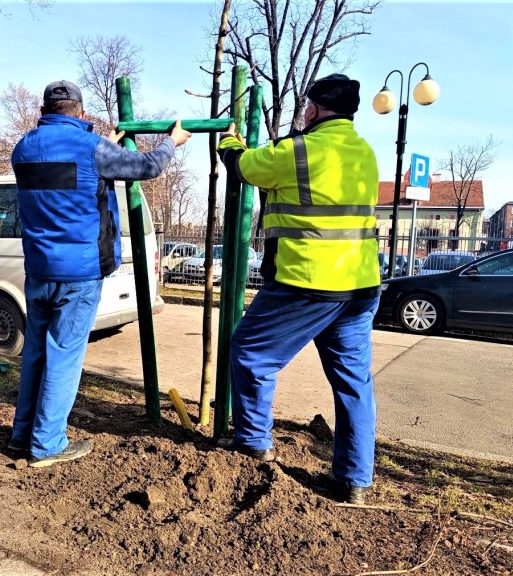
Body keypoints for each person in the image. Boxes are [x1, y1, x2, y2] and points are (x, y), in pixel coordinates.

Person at [216, 73, 380, 505]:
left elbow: (244, 166)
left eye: (307, 106)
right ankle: (355, 481)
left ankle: (252, 443)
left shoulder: (297, 150)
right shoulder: (364, 152)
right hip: (361, 285)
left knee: (250, 352)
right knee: (353, 383)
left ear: (316, 109)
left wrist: (229, 142)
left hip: (309, 281)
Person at [9, 80, 191, 468]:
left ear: (46, 109)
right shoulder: (92, 149)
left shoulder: (22, 148)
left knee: (36, 355)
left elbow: (68, 175)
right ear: (81, 111)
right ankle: (47, 445)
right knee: (64, 358)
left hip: (39, 270)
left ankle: (21, 435)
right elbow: (145, 167)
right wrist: (171, 143)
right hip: (78, 273)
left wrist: (104, 143)